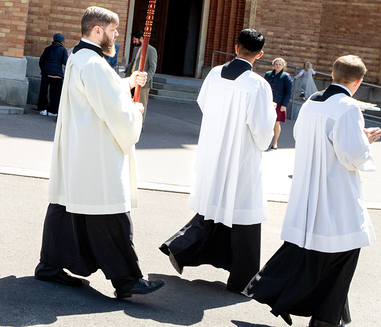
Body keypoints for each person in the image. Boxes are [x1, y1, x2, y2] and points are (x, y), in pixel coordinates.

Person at [34, 6, 162, 300]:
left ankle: (50, 265)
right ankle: (127, 280)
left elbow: (103, 90)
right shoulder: (93, 63)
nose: (116, 35)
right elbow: (113, 109)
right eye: (113, 30)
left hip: (80, 145)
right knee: (111, 213)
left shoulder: (80, 56)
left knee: (65, 206)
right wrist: (135, 111)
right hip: (96, 152)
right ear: (97, 30)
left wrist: (129, 82)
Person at [245, 55, 380, 327]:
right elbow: (351, 154)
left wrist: (355, 139)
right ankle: (324, 320)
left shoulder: (312, 102)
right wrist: (364, 141)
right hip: (336, 190)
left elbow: (301, 137)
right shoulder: (348, 107)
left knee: (317, 254)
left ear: (332, 75)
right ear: (358, 82)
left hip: (309, 186)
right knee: (343, 251)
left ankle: (327, 315)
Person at [159, 29, 276, 293]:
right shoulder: (258, 85)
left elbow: (204, 104)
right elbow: (261, 131)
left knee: (215, 207)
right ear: (260, 54)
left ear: (236, 47)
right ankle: (242, 280)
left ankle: (181, 247)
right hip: (241, 155)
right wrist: (269, 119)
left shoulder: (214, 73)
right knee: (244, 214)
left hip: (213, 151)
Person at [264, 57, 293, 150]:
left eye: (280, 64)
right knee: (267, 122)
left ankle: (274, 142)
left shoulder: (286, 76)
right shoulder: (268, 74)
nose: (278, 66)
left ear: (283, 66)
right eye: (276, 64)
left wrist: (284, 105)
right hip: (268, 102)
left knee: (276, 123)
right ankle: (266, 141)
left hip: (279, 103)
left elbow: (288, 91)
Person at [36, 34, 67, 117]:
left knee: (43, 92)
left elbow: (41, 60)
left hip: (46, 74)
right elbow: (65, 62)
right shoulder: (63, 50)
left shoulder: (48, 49)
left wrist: (44, 69)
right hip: (57, 75)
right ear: (61, 41)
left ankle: (43, 109)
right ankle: (52, 111)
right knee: (55, 94)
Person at [128, 29, 157, 115]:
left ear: (141, 38)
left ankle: (141, 123)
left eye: (135, 40)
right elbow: (133, 63)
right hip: (132, 81)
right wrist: (125, 68)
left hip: (143, 84)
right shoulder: (135, 49)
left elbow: (152, 68)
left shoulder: (151, 50)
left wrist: (144, 80)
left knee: (141, 105)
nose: (134, 42)